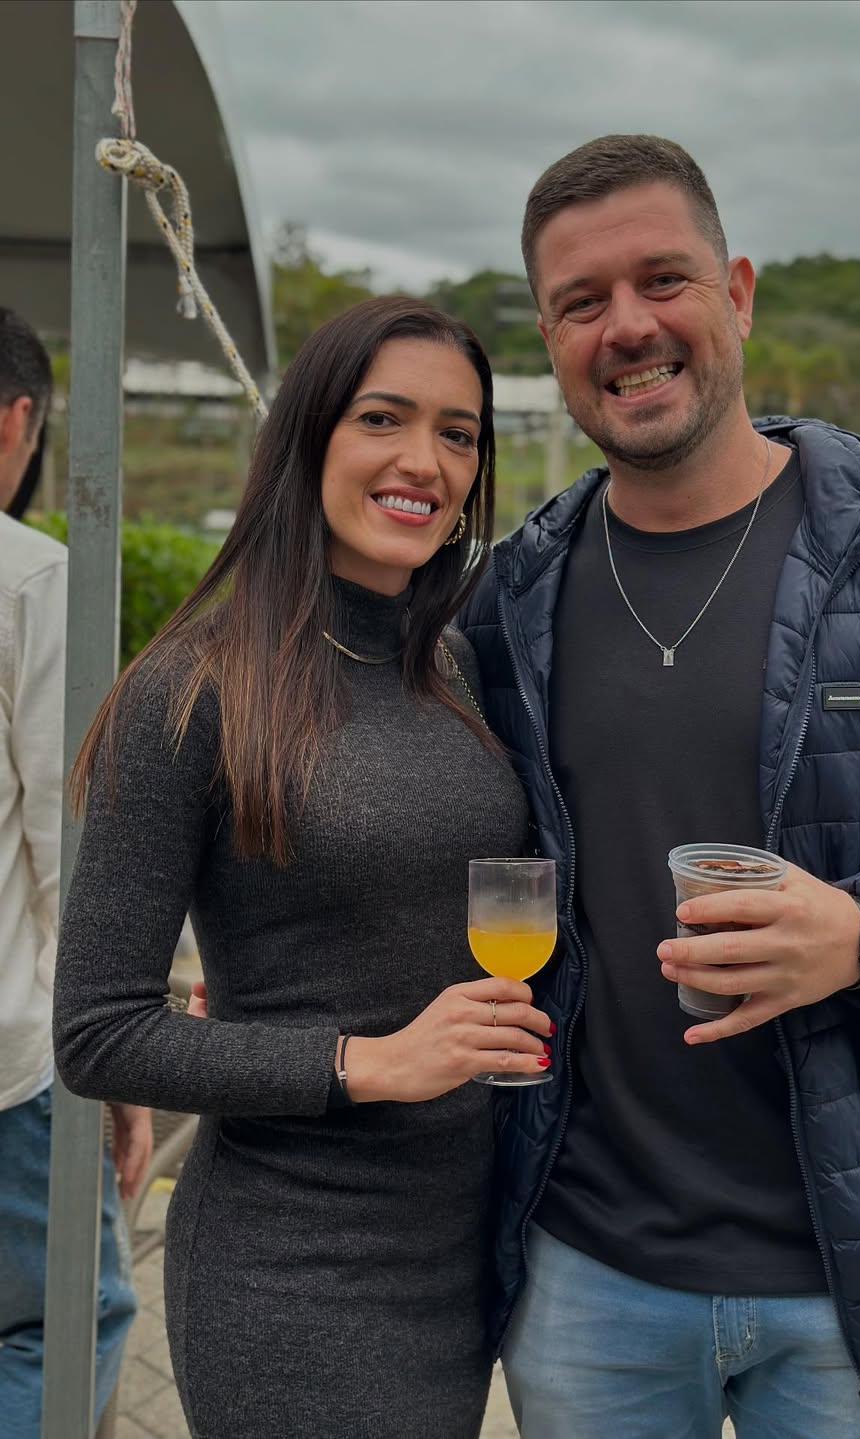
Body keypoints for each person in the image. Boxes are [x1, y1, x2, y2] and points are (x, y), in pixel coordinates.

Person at [459, 136, 860, 1439]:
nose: (628, 326)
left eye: (663, 279)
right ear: (551, 337)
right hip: (589, 1264)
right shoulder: (512, 598)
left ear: (737, 292)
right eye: (582, 301)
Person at [52, 296, 553, 1438]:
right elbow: (97, 1031)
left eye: (459, 433)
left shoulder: (455, 668)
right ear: (309, 434)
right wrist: (370, 1059)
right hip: (292, 1268)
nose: (425, 460)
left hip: (459, 1251)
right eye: (383, 417)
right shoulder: (193, 688)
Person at [0, 306, 149, 1436]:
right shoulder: (31, 577)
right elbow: (71, 853)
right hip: (8, 1070)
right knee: (56, 1321)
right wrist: (120, 1069)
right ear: (17, 422)